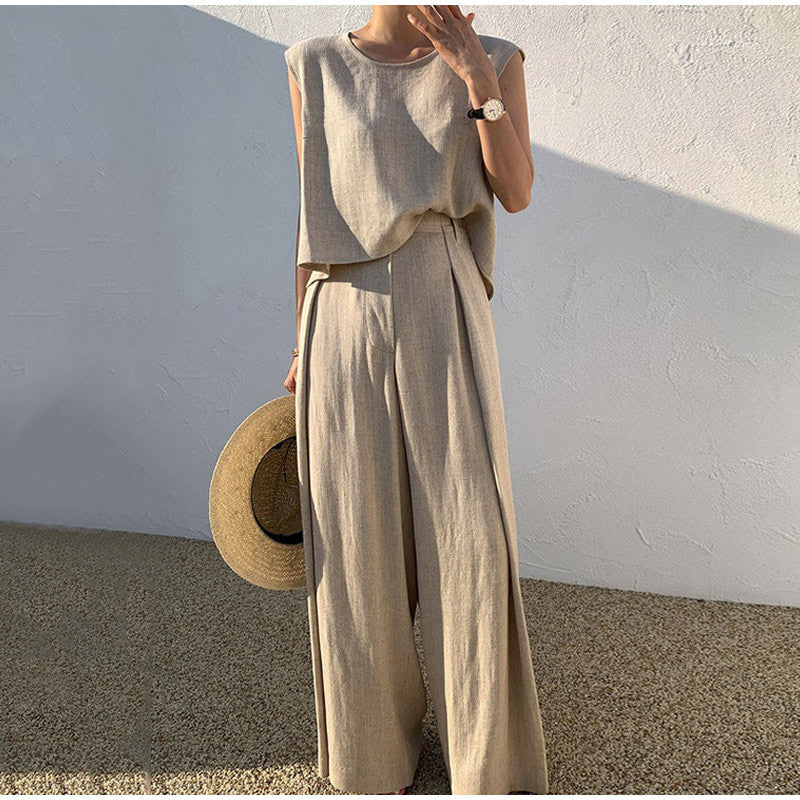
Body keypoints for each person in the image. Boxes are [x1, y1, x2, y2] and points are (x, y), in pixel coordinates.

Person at [283, 5, 548, 795]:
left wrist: (475, 75)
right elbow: (310, 213)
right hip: (340, 308)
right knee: (354, 544)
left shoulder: (494, 55)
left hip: (443, 293)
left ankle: (485, 760)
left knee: (471, 539)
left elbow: (517, 191)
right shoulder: (313, 64)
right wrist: (299, 342)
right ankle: (373, 758)